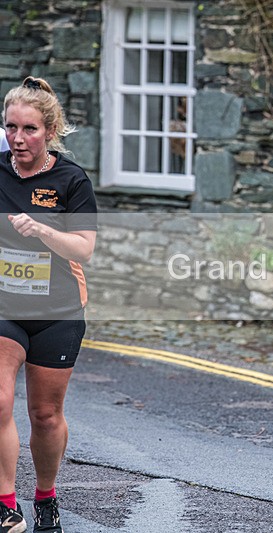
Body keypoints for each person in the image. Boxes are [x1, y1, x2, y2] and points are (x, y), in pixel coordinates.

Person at [0, 77, 97, 533]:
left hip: (57, 310)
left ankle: (45, 496)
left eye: (29, 129)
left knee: (45, 414)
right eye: (10, 128)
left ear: (50, 129)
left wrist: (41, 231)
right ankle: (5, 504)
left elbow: (83, 249)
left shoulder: (71, 181)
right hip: (4, 307)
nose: (18, 139)